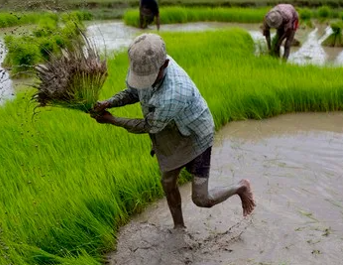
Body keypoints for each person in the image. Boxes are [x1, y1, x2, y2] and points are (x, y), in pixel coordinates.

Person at [90, 34, 256, 230]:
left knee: (201, 199)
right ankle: (179, 228)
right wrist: (109, 102)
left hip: (196, 135)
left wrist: (113, 120)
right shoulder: (143, 62)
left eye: (150, 78)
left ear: (165, 64)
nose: (146, 83)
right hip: (169, 128)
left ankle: (240, 187)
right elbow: (134, 92)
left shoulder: (174, 93)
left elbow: (149, 126)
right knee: (167, 181)